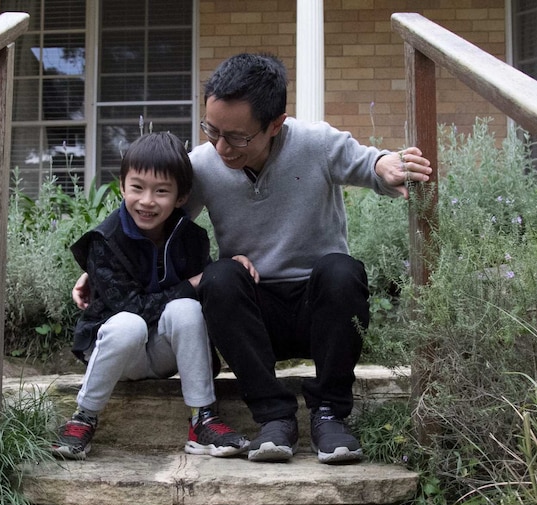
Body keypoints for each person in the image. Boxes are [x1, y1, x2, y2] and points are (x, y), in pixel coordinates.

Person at [73, 53, 431, 465]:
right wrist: (99, 265)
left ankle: (330, 415)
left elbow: (369, 162)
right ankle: (274, 418)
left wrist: (387, 164)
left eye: (237, 137)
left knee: (342, 270)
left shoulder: (315, 143)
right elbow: (147, 217)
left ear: (275, 124)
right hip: (251, 316)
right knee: (220, 277)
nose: (221, 147)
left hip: (319, 312)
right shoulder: (205, 166)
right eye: (212, 130)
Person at [53, 131, 249, 460]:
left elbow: (205, 296)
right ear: (122, 186)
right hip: (119, 354)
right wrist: (194, 283)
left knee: (187, 310)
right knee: (129, 323)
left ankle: (203, 418)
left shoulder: (191, 238)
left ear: (181, 196)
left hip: (162, 354)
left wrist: (225, 271)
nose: (147, 201)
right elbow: (133, 308)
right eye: (137, 187)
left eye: (161, 191)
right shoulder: (105, 241)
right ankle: (83, 417)